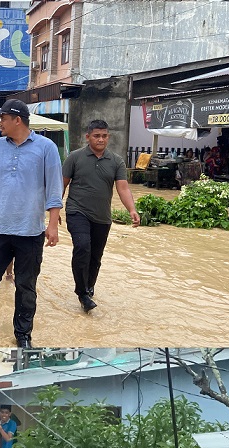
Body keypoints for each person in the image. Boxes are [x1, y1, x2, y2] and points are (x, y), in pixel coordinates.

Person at [0, 100, 64, 348]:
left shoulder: (47, 148)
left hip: (30, 231)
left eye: (2, 118)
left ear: (17, 120)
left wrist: (52, 225)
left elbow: (55, 189)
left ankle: (23, 333)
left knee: (26, 286)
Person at [62, 119, 140, 313]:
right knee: (82, 247)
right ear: (87, 137)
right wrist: (53, 212)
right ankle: (82, 293)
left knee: (95, 257)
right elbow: (61, 185)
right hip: (76, 210)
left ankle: (88, 286)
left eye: (104, 136)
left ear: (108, 137)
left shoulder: (116, 161)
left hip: (102, 217)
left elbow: (123, 189)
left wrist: (132, 209)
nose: (101, 139)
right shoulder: (75, 157)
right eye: (96, 136)